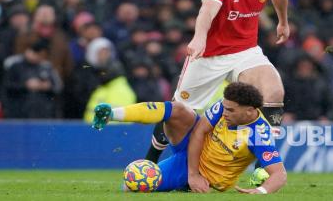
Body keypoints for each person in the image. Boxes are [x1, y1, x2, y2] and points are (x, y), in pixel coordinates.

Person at [146, 0, 290, 162]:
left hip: (245, 51)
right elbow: (207, 10)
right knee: (177, 111)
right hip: (208, 56)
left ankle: (265, 164)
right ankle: (150, 160)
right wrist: (199, 38)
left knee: (274, 92)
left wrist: (283, 21)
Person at [92, 82, 287, 193]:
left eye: (231, 110)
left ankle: (182, 183)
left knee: (128, 187)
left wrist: (260, 191)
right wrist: (193, 173)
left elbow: (279, 174)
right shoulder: (223, 105)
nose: (224, 112)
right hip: (193, 152)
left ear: (250, 111)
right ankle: (111, 114)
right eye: (224, 107)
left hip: (205, 174)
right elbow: (199, 131)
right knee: (177, 109)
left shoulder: (259, 134)